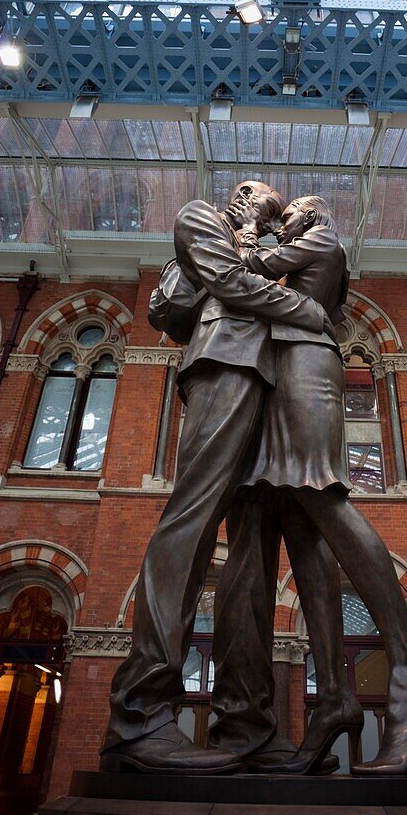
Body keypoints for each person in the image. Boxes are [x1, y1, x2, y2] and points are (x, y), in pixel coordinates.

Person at [212, 195, 407, 776]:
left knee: (321, 492)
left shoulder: (323, 240)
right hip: (282, 369)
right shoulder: (305, 250)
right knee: (300, 523)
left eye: (291, 210)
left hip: (307, 365)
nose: (284, 218)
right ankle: (335, 698)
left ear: (312, 215)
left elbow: (249, 272)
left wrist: (247, 234)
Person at [101, 181, 337, 774]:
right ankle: (140, 716)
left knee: (255, 554)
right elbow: (184, 303)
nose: (276, 216)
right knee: (192, 521)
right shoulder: (200, 216)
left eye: (282, 212)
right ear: (240, 194)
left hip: (274, 383)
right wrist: (303, 309)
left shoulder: (273, 247)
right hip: (224, 364)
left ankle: (248, 726)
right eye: (266, 202)